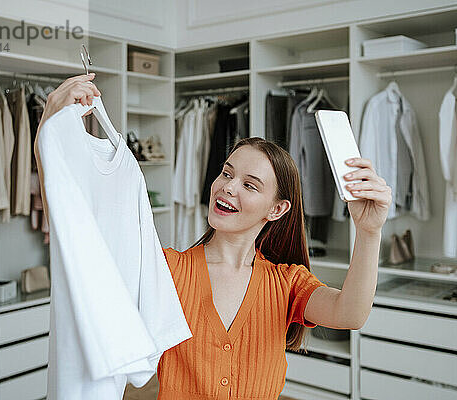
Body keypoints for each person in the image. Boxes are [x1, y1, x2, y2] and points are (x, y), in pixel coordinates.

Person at [34, 73, 392, 400]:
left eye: (249, 185)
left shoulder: (286, 283)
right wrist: (49, 135)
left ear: (277, 209)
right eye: (226, 172)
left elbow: (351, 313)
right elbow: (78, 242)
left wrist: (369, 230)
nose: (226, 188)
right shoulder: (167, 269)